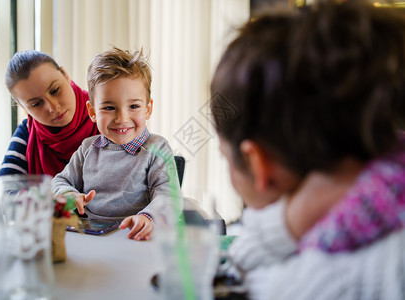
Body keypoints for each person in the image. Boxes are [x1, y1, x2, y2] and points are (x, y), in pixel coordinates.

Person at [210, 0, 405, 298]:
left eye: (225, 156)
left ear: (258, 163)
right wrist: (291, 221)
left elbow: (242, 280)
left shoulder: (321, 282)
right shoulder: (390, 175)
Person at [51, 47, 180, 241]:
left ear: (148, 108)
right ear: (93, 112)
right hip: (92, 236)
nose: (122, 118)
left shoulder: (157, 148)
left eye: (134, 106)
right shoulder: (88, 148)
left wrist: (148, 217)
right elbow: (60, 181)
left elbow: (168, 196)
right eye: (109, 108)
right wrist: (69, 194)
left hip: (137, 237)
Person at [0, 50, 99, 178]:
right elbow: (3, 191)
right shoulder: (26, 134)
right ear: (23, 107)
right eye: (36, 104)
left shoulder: (108, 116)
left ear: (65, 75)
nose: (53, 107)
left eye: (55, 90)